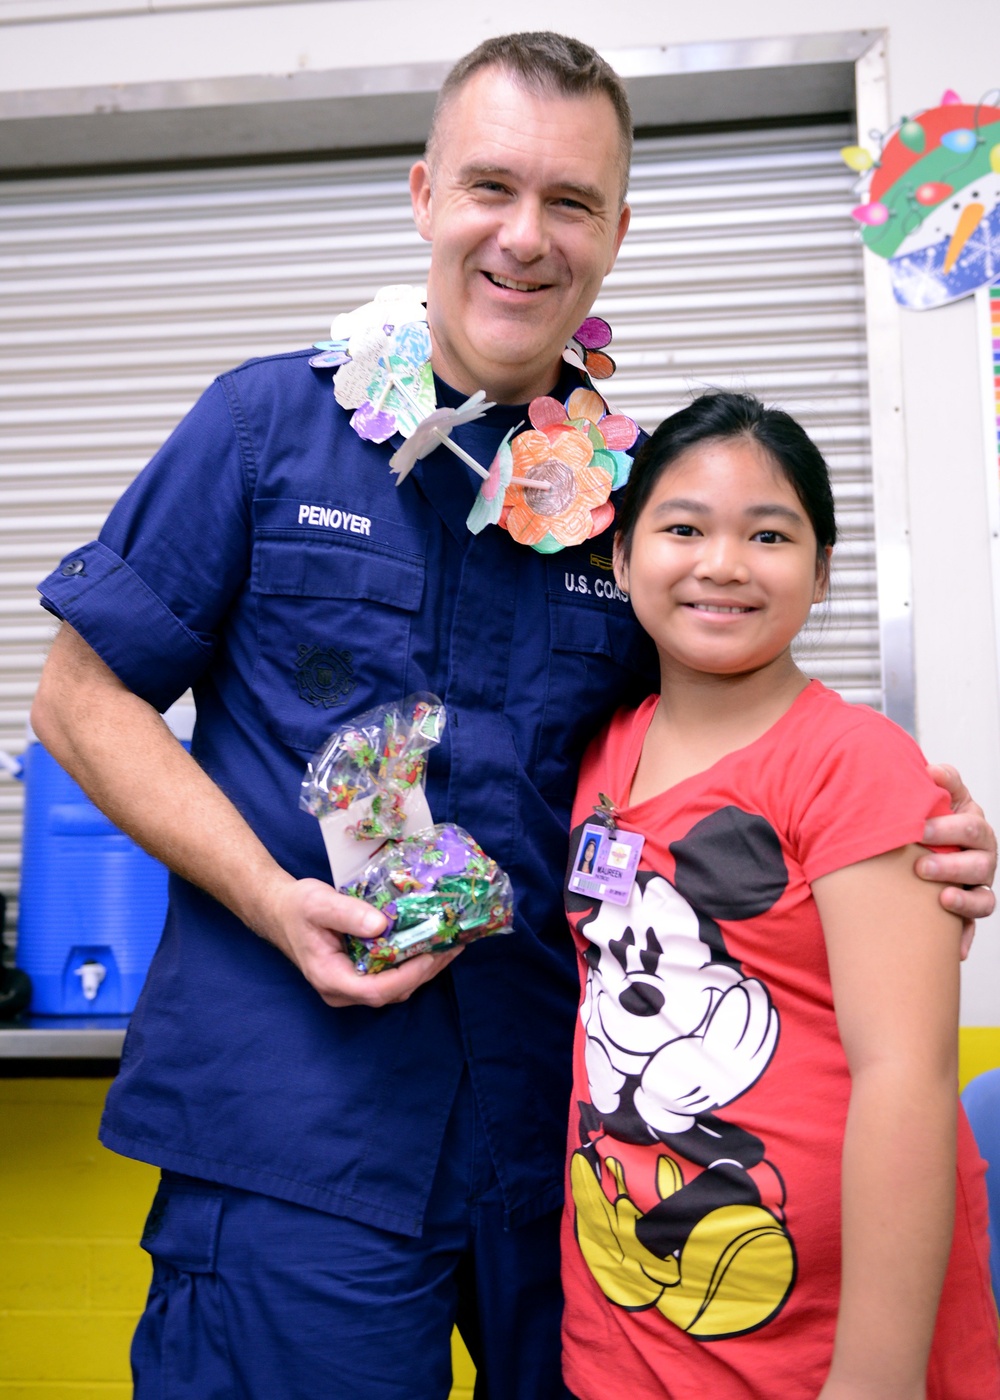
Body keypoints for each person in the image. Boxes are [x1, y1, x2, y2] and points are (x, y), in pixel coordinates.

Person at [27, 31, 995, 1400]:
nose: (523, 237)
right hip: (299, 1136)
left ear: (617, 232)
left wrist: (912, 835)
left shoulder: (626, 507)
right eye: (491, 187)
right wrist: (268, 895)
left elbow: (719, 750)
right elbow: (79, 699)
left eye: (571, 203)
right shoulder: (261, 428)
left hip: (573, 1160)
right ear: (425, 194)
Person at [561, 392, 1000, 1399]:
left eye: (768, 533)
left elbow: (907, 1078)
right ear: (622, 558)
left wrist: (873, 1380)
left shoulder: (854, 766)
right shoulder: (599, 753)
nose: (722, 562)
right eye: (682, 528)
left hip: (819, 1348)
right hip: (625, 1324)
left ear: (821, 570)